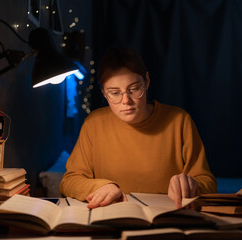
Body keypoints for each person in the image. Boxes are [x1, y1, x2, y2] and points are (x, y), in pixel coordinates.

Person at [60, 46, 216, 209]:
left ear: (146, 81)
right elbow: (69, 181)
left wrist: (192, 184)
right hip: (113, 218)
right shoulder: (94, 123)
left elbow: (208, 182)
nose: (126, 100)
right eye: (114, 93)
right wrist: (100, 187)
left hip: (167, 217)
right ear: (104, 93)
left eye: (134, 89)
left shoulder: (179, 120)